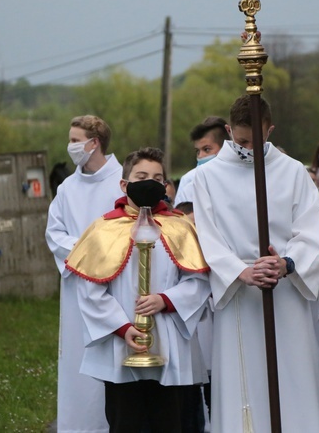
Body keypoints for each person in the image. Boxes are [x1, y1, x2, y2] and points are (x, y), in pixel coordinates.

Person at [193, 95, 319, 433]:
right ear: (228, 131)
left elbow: (311, 230)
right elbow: (207, 237)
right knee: (244, 381)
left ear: (270, 130)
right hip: (240, 294)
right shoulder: (207, 177)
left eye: (258, 140)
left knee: (294, 375)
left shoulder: (294, 172)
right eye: (242, 141)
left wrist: (285, 263)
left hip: (284, 291)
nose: (250, 149)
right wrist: (241, 271)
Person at [66, 147, 211, 432]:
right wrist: (122, 328)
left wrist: (166, 300)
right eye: (141, 176)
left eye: (158, 178)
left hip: (169, 341)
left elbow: (198, 281)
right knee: (125, 421)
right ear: (124, 183)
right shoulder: (103, 230)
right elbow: (91, 290)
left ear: (166, 186)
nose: (150, 182)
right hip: (122, 344)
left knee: (169, 421)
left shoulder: (180, 228)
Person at [45, 115, 123, 433]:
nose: (71, 146)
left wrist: (104, 253)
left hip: (115, 282)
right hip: (78, 284)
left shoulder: (121, 179)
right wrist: (83, 248)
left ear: (95, 143)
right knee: (79, 359)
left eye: (76, 140)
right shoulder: (67, 188)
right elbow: (54, 233)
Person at [174, 116, 229, 206]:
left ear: (225, 148)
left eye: (207, 149)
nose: (200, 156)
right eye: (197, 151)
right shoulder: (188, 181)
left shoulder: (243, 177)